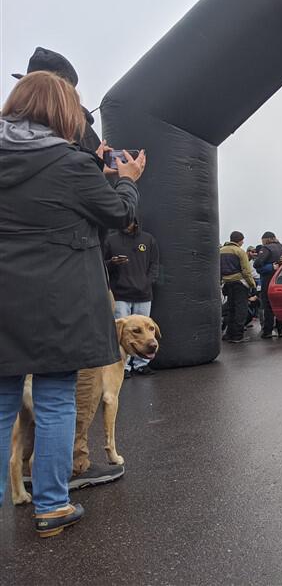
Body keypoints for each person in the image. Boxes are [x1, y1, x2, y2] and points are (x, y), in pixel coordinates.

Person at [0, 71, 144, 537]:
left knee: (1, 402)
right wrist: (125, 180)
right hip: (61, 299)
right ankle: (52, 506)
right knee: (57, 397)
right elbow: (119, 214)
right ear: (63, 111)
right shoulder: (71, 163)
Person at [103, 218, 159, 377]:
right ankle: (124, 366)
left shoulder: (148, 240)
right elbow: (102, 264)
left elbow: (155, 264)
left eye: (128, 221)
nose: (126, 225)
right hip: (120, 294)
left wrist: (148, 282)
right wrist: (112, 263)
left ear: (135, 222)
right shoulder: (111, 240)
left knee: (145, 332)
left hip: (143, 294)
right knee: (122, 332)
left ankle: (142, 364)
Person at [220, 231, 257, 343]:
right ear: (240, 240)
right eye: (242, 240)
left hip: (226, 282)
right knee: (241, 311)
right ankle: (237, 336)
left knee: (231, 310)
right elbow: (246, 271)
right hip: (239, 283)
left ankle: (228, 334)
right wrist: (252, 285)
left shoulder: (220, 251)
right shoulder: (240, 252)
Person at [254, 231, 282, 339]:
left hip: (269, 281)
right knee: (281, 306)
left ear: (265, 240)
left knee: (268, 307)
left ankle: (268, 331)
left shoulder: (266, 248)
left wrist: (269, 267)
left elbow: (257, 264)